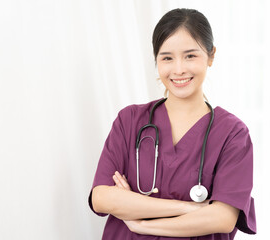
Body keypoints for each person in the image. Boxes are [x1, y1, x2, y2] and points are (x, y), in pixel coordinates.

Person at [88, 8, 256, 239]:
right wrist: (188, 208)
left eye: (190, 56)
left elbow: (223, 218)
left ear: (211, 56)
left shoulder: (232, 134)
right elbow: (101, 198)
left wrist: (141, 223)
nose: (179, 69)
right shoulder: (129, 121)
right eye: (167, 57)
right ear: (156, 60)